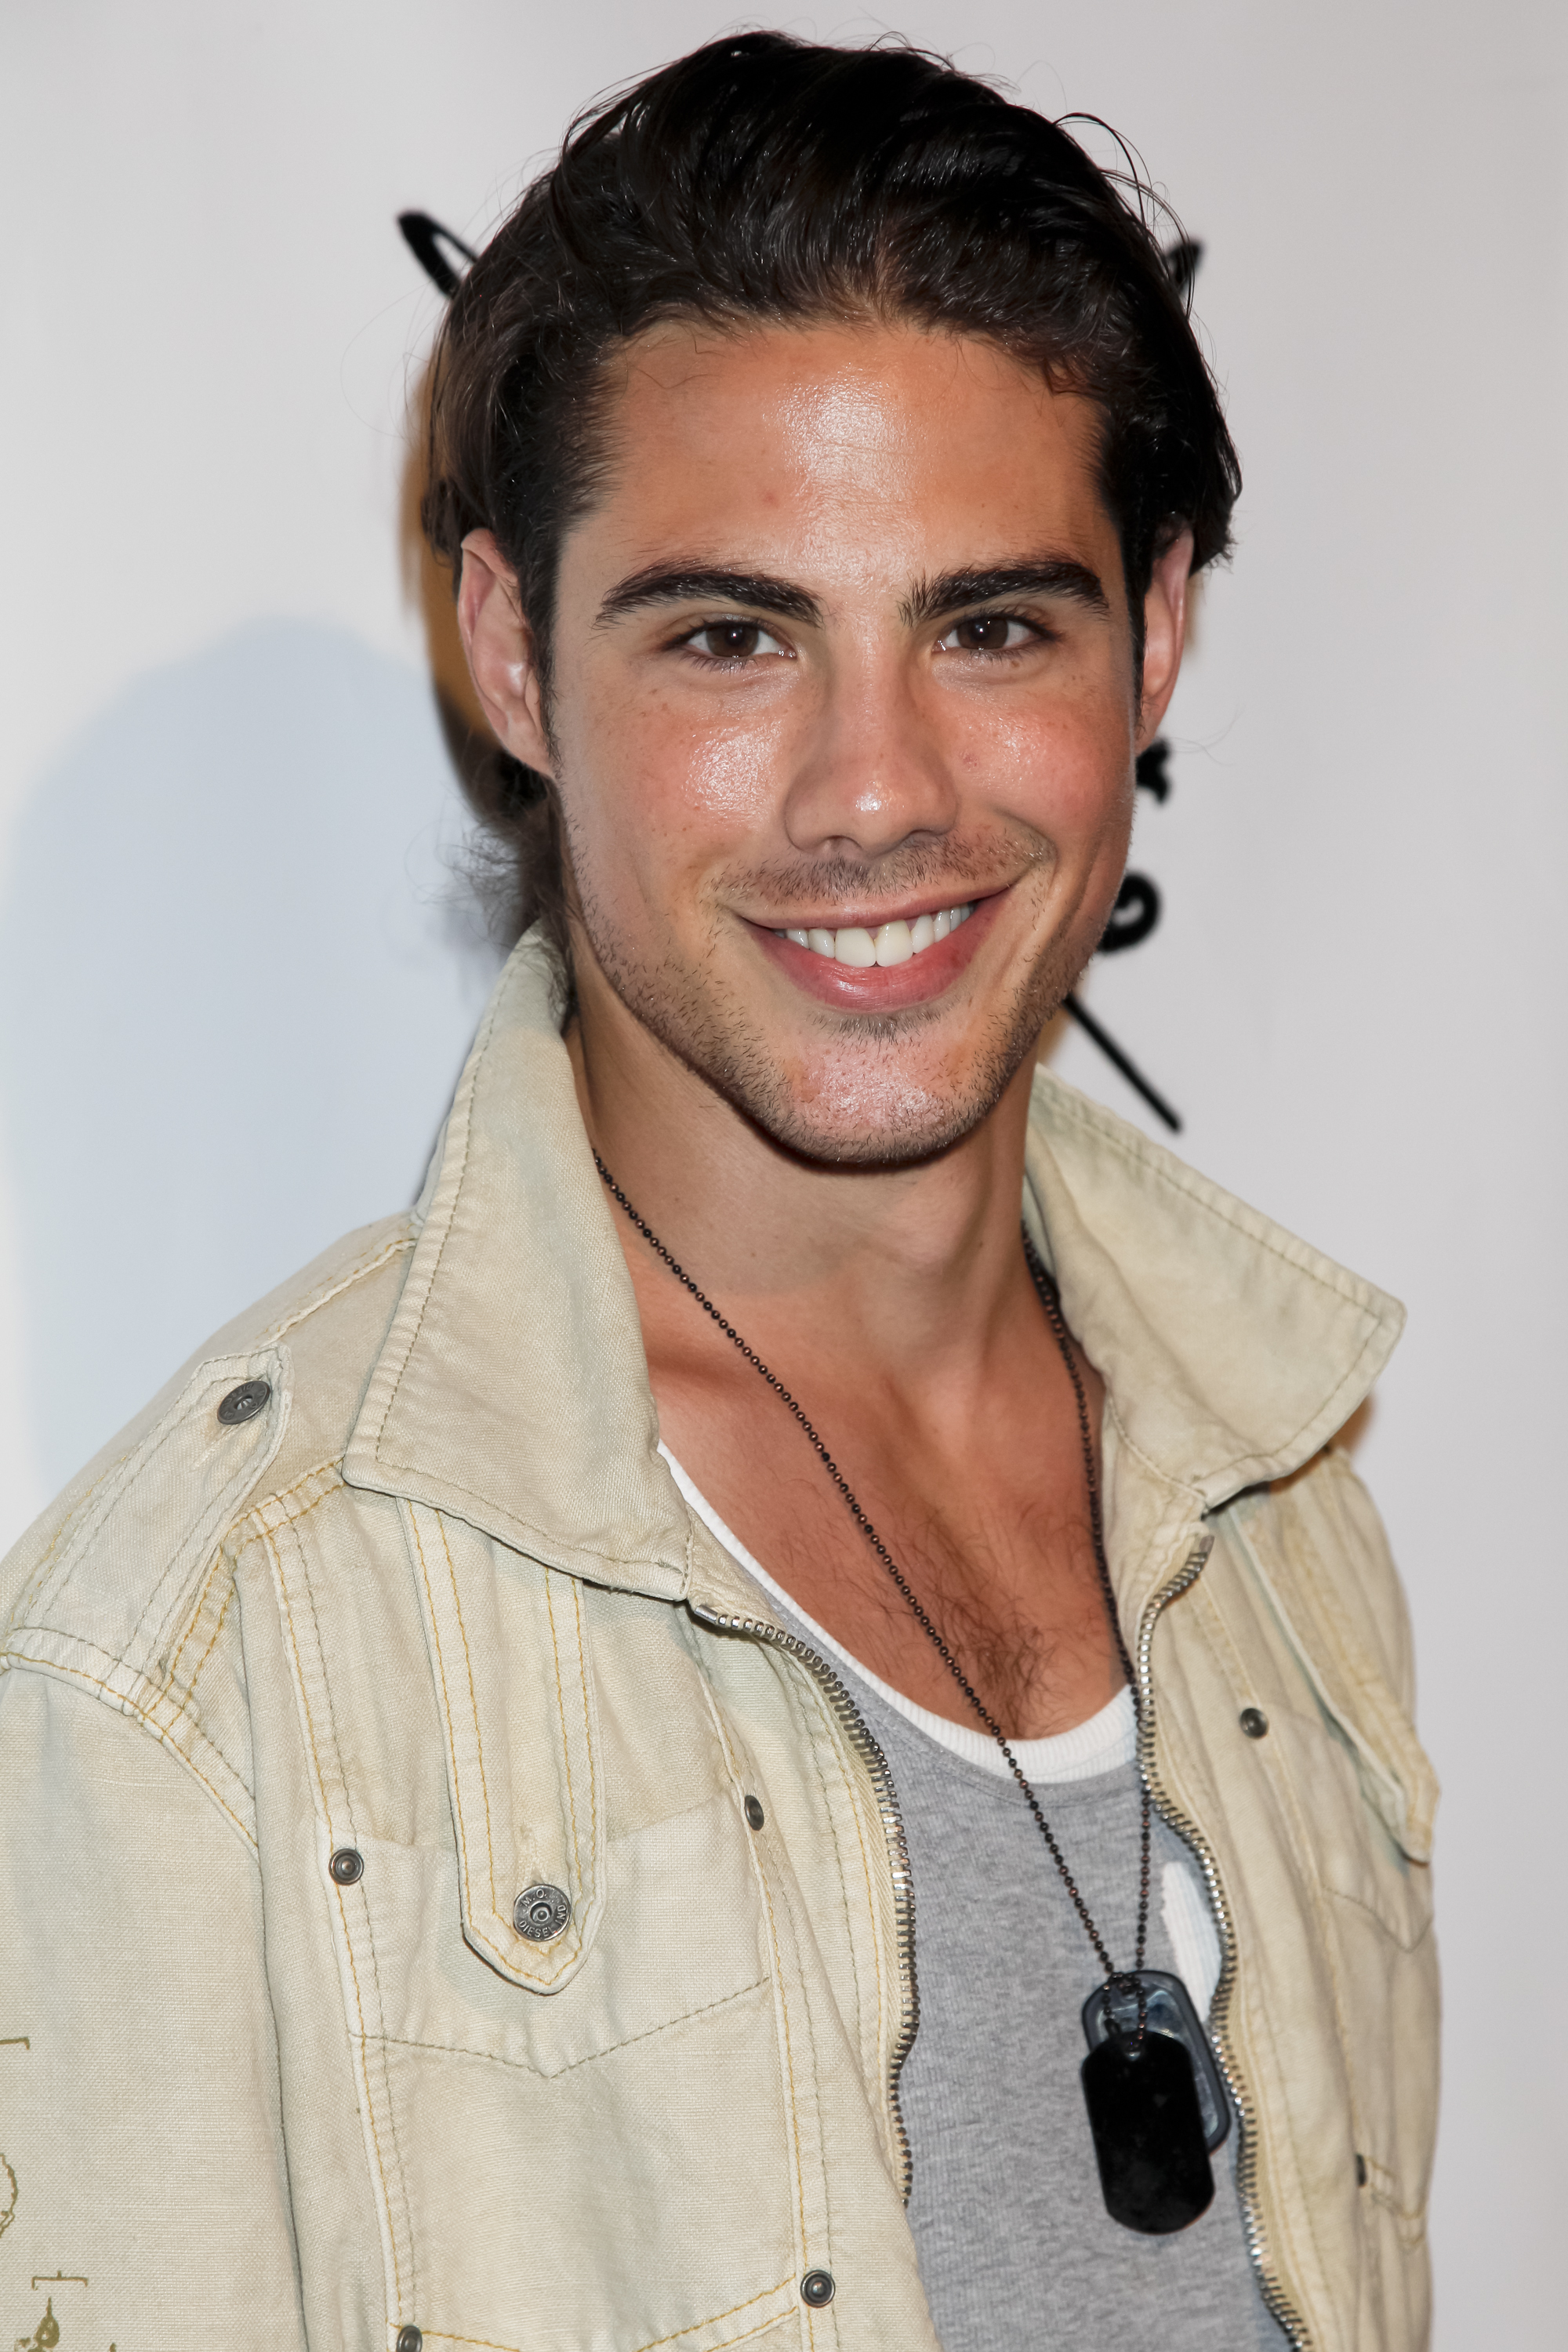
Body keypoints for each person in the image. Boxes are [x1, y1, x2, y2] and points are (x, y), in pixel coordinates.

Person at [0, 31, 1438, 2352]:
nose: (875, 793)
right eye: (729, 637)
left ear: (1152, 636)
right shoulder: (191, 1667)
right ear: (513, 659)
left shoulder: (1281, 1505)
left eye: (990, 626)